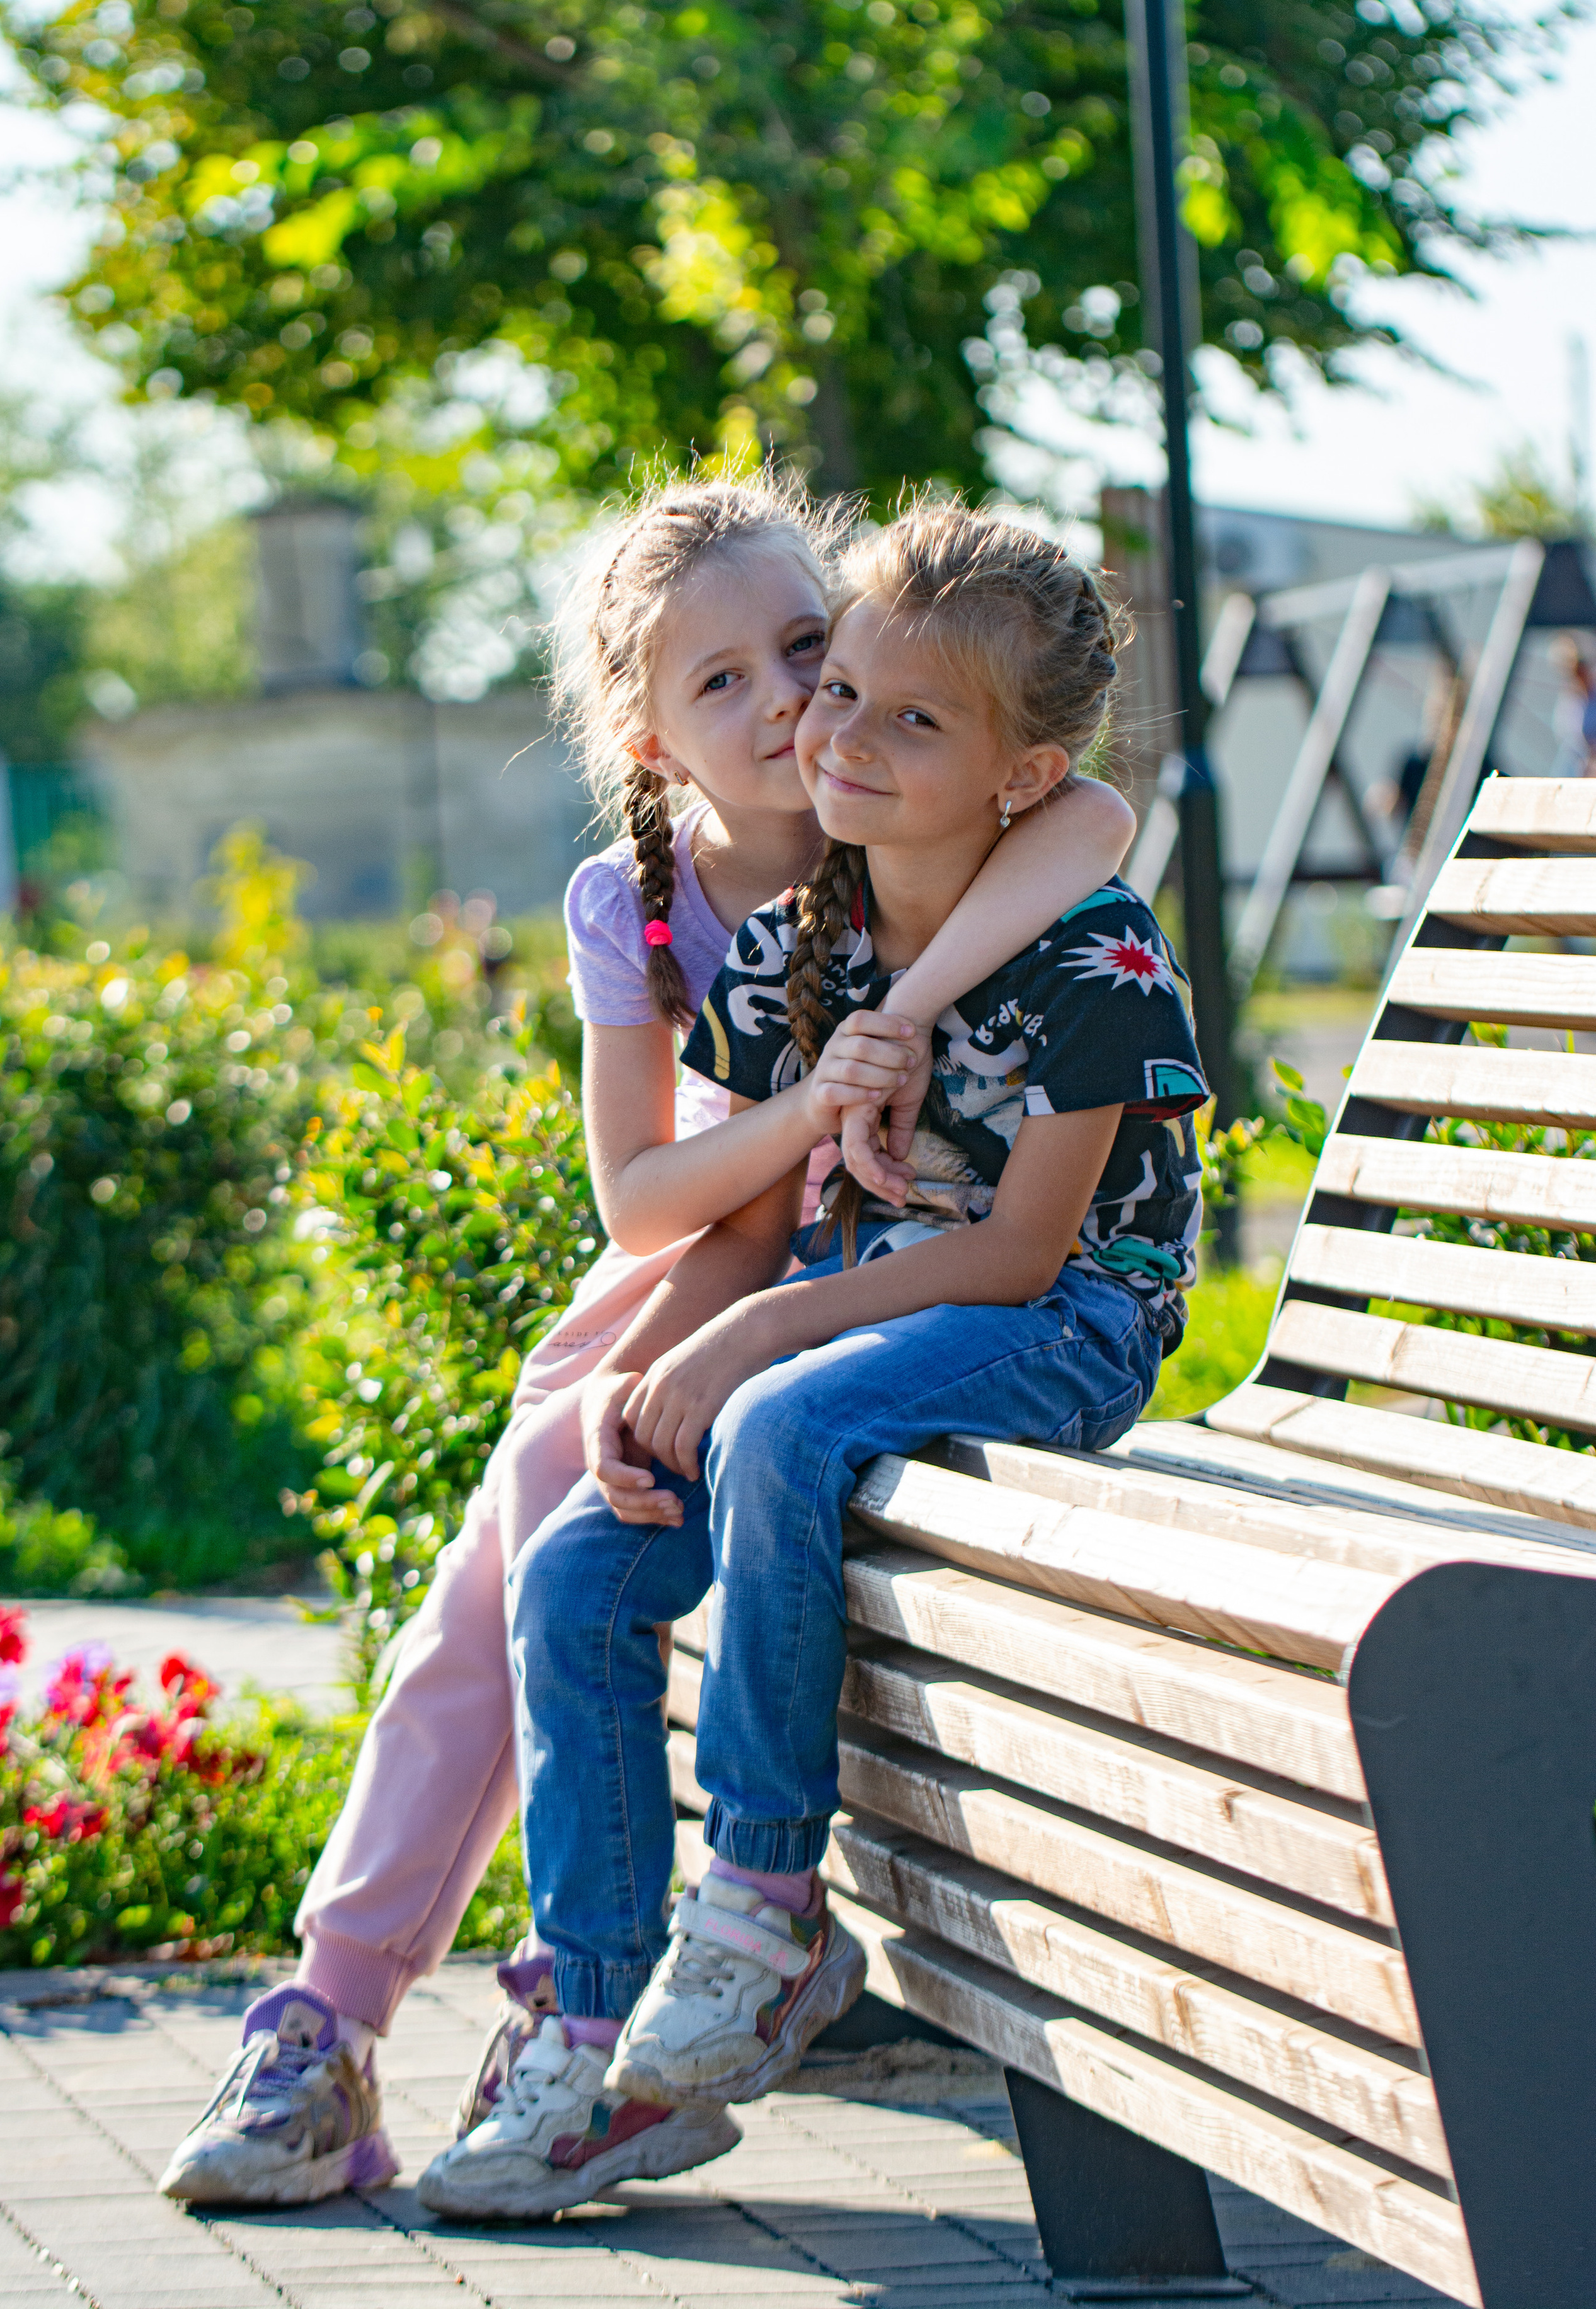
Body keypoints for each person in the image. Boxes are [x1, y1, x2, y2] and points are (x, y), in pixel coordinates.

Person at [158, 474, 1137, 2208]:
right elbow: (657, 1203)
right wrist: (820, 1108)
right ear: (647, 732)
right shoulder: (652, 896)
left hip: (845, 1270)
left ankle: (571, 2003)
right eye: (723, 683)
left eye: (807, 651)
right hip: (709, 1252)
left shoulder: (892, 799)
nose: (785, 704)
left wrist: (893, 1023)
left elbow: (1096, 823)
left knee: (567, 1504)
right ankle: (340, 2008)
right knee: (532, 1524)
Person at [420, 498, 1206, 2220]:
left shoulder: (1098, 954)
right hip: (862, 1315)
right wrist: (670, 1368)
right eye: (835, 689)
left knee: (778, 1426)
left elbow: (1023, 1256)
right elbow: (762, 1223)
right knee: (574, 1580)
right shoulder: (803, 946)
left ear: (1013, 772)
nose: (833, 733)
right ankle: (600, 2035)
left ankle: (767, 1907)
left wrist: (756, 1341)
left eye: (907, 718)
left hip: (1056, 1322)